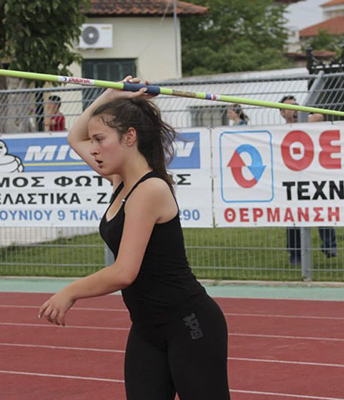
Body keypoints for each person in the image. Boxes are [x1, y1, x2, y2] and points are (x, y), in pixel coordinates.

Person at [38, 78, 230, 399]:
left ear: (130, 137)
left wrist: (70, 292)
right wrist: (111, 93)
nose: (93, 148)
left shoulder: (150, 189)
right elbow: (75, 136)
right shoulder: (120, 181)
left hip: (188, 324)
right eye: (93, 140)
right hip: (146, 328)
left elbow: (124, 272)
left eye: (100, 139)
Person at [280, 95, 337, 265]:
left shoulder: (307, 122)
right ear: (282, 113)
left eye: (296, 105)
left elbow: (319, 116)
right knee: (294, 218)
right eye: (290, 107)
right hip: (292, 180)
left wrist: (302, 117)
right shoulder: (280, 130)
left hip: (313, 177)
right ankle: (296, 255)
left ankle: (330, 246)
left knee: (321, 210)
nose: (295, 108)